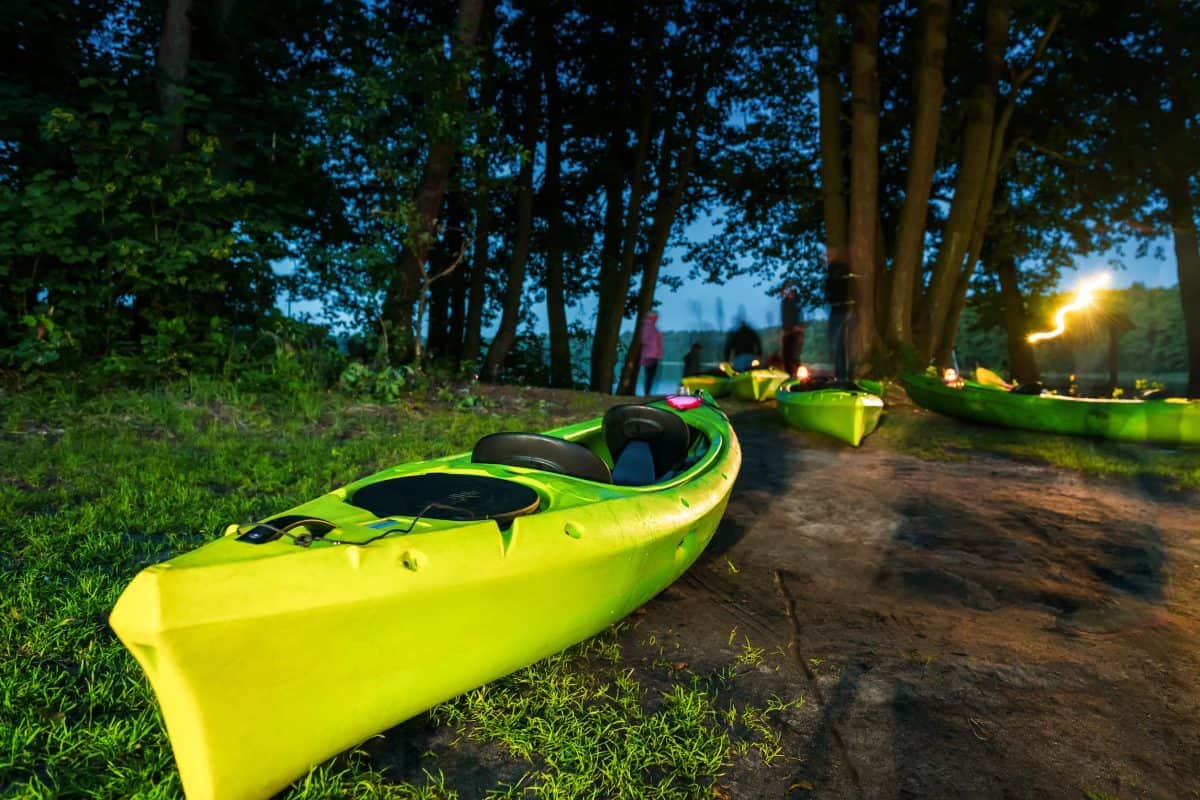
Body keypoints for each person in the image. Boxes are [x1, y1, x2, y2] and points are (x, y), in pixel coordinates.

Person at [824, 246, 851, 379]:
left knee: (836, 343)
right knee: (839, 343)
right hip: (839, 309)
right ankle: (842, 374)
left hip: (840, 310)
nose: (826, 257)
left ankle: (841, 376)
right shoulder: (836, 269)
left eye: (828, 254)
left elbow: (833, 289)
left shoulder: (836, 270)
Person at [780, 281, 806, 374]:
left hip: (796, 333)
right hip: (787, 334)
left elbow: (801, 317)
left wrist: (800, 329)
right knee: (786, 358)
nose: (786, 290)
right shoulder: (784, 303)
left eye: (788, 288)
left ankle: (797, 375)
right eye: (785, 288)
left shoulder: (796, 303)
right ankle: (789, 375)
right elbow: (784, 319)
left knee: (794, 357)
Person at [639, 312, 663, 395]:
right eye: (655, 318)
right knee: (650, 375)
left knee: (650, 376)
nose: (656, 320)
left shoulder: (651, 328)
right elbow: (645, 341)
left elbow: (659, 343)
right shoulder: (648, 328)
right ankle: (647, 392)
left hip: (652, 356)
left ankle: (647, 392)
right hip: (650, 356)